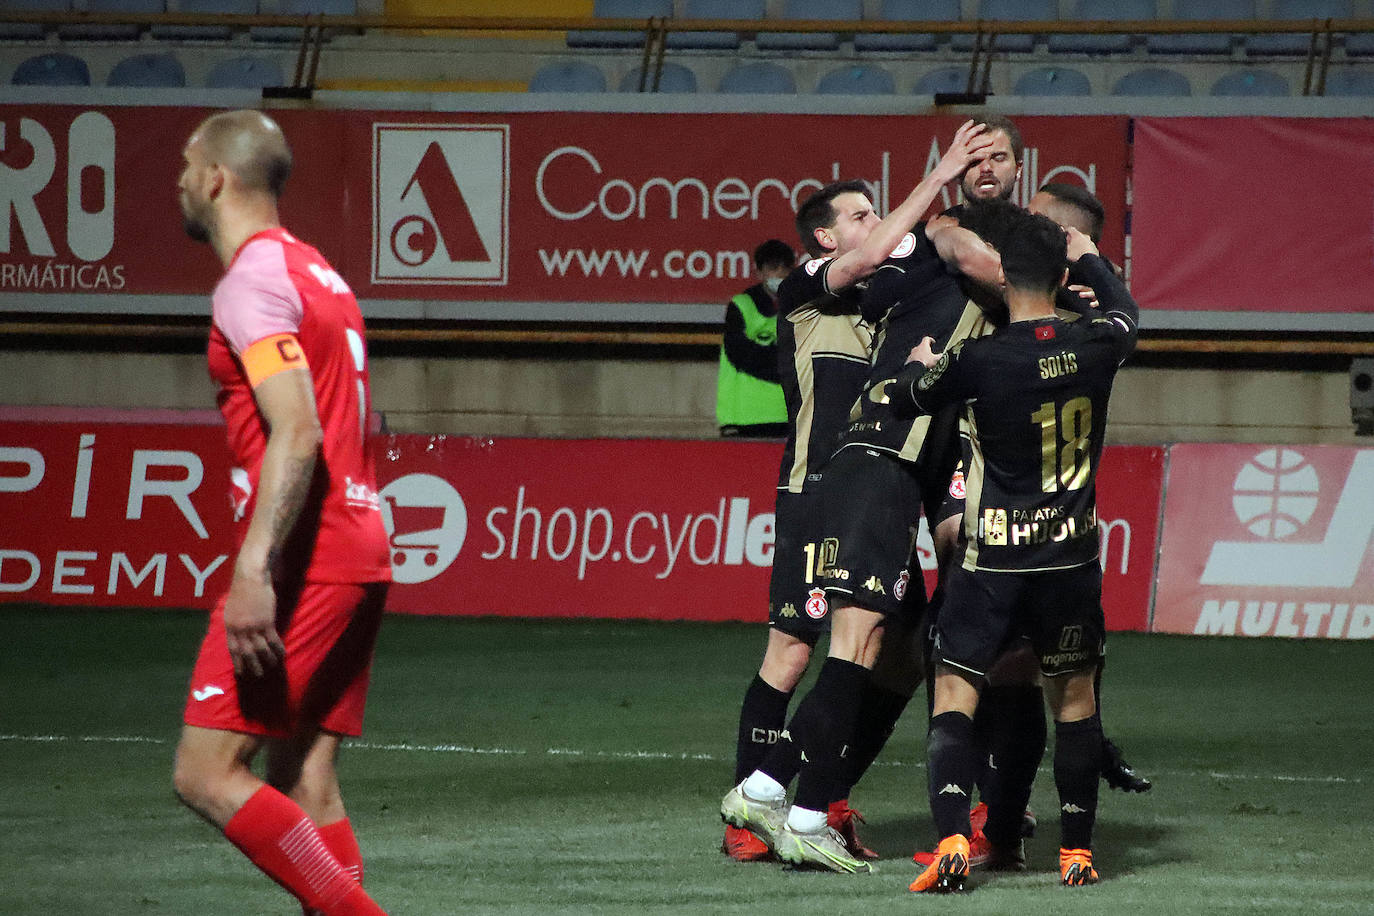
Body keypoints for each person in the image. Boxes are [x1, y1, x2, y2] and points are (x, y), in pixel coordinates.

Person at [721, 121, 996, 871]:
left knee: (898, 652)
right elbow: (879, 253)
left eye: (876, 213)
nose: (877, 224)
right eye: (860, 214)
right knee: (794, 648)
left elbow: (899, 270)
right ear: (823, 238)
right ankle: (758, 804)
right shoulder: (809, 288)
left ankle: (820, 797)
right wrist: (936, 180)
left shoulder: (881, 300)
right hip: (820, 486)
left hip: (880, 480)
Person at [170, 109, 392, 916]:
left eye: (187, 167)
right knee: (303, 775)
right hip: (362, 542)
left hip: (309, 556)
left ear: (217, 178)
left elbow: (298, 430)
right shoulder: (317, 273)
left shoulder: (252, 283)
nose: (180, 183)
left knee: (205, 771)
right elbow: (360, 421)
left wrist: (255, 568)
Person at [900, 210, 1139, 893]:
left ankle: (951, 836)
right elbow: (1127, 312)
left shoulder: (980, 358)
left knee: (954, 692)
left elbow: (913, 396)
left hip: (992, 564)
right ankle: (1076, 853)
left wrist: (919, 368)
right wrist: (1093, 258)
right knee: (1073, 702)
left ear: (1002, 275)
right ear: (1062, 278)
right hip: (1068, 562)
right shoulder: (1097, 343)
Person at [716, 239, 794, 438]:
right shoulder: (741, 306)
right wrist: (784, 364)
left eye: (785, 268)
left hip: (788, 416)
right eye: (772, 268)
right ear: (759, 272)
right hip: (744, 418)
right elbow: (742, 355)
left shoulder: (800, 308)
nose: (780, 274)